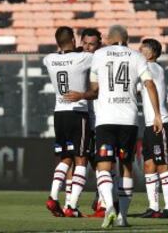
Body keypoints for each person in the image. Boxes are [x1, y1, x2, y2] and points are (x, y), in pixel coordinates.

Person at [64, 25, 163, 228]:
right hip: (129, 119)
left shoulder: (99, 55)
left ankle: (109, 205)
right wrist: (157, 115)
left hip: (105, 119)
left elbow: (94, 90)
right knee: (126, 166)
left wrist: (83, 95)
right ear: (126, 39)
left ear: (108, 39)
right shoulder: (137, 57)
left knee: (104, 166)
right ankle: (123, 217)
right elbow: (149, 85)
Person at [44, 26, 93, 217]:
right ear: (73, 40)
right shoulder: (83, 58)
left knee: (65, 157)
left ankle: (53, 196)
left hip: (59, 113)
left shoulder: (49, 59)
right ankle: (71, 206)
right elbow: (92, 54)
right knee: (81, 159)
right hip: (78, 112)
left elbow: (61, 54)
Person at [62, 28, 105, 216]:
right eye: (85, 43)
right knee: (74, 160)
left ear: (99, 45)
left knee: (98, 162)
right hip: (78, 116)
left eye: (92, 44)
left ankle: (102, 200)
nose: (88, 47)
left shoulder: (102, 60)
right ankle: (70, 203)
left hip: (99, 118)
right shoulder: (76, 58)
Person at [139, 39, 168, 219]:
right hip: (149, 124)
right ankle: (153, 207)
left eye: (143, 47)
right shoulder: (146, 69)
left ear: (152, 52)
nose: (139, 50)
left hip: (160, 122)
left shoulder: (153, 67)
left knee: (162, 164)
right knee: (149, 165)